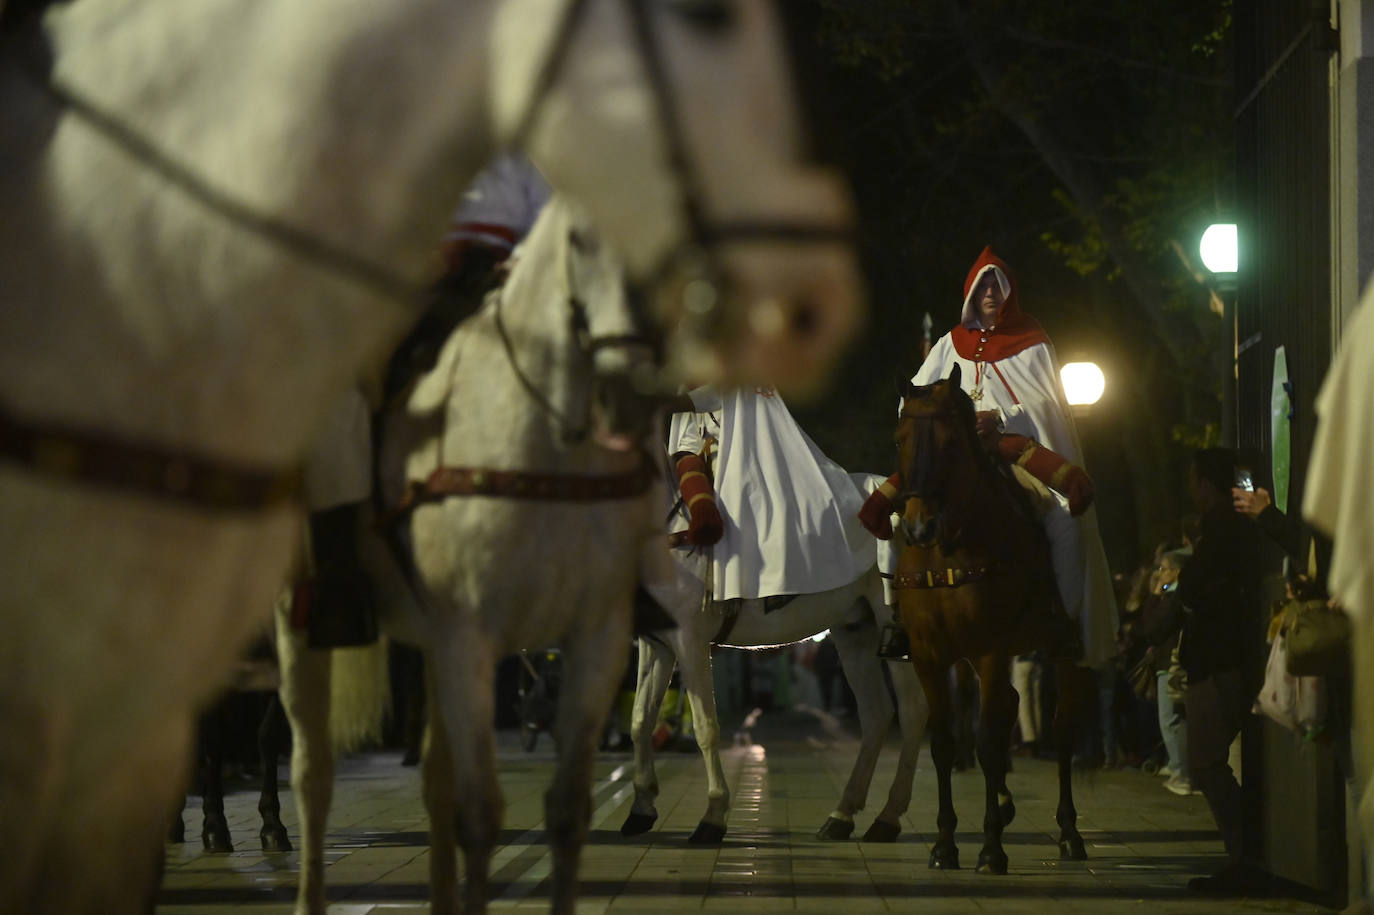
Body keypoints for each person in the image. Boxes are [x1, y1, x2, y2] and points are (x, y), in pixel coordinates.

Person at [867, 246, 1118, 669]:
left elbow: (1049, 406)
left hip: (1011, 456)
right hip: (950, 461)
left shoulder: (1032, 343)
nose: (989, 292)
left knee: (1063, 518)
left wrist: (1002, 418)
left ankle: (1065, 621)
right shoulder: (948, 344)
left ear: (1008, 291)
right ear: (970, 291)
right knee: (896, 516)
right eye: (982, 284)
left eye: (996, 284)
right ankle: (899, 616)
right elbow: (910, 401)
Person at [666, 384, 875, 602]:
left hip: (757, 457)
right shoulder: (687, 381)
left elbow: (713, 396)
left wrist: (657, 403)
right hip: (713, 462)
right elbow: (687, 438)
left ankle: (782, 580)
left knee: (755, 503)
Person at [1175, 448, 1270, 895]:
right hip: (1231, 655)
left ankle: (1246, 856)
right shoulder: (1239, 528)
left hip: (1217, 658)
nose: (1190, 490)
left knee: (1207, 761)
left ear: (1207, 486)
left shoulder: (1219, 531)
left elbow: (1193, 588)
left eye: (1194, 481)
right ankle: (1250, 854)